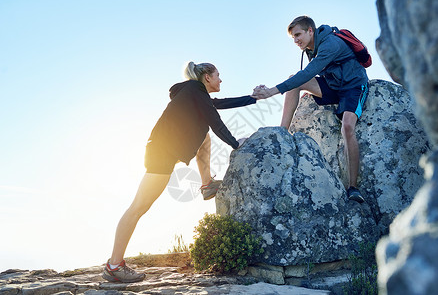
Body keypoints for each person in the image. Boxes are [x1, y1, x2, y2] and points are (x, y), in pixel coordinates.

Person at [102, 61, 256, 283]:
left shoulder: (193, 92)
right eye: (218, 75)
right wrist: (236, 144)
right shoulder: (195, 90)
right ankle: (114, 265)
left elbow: (217, 105)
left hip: (163, 149)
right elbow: (215, 120)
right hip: (161, 154)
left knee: (204, 138)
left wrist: (253, 98)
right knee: (138, 208)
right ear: (207, 77)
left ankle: (207, 184)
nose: (221, 80)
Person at [252, 15, 368, 204]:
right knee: (296, 82)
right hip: (333, 85)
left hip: (353, 86)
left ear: (310, 31)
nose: (296, 40)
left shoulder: (330, 43)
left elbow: (307, 72)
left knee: (347, 127)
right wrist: (308, 89)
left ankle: (353, 187)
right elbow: (305, 77)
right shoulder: (310, 47)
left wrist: (272, 91)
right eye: (293, 38)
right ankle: (282, 132)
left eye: (298, 35)